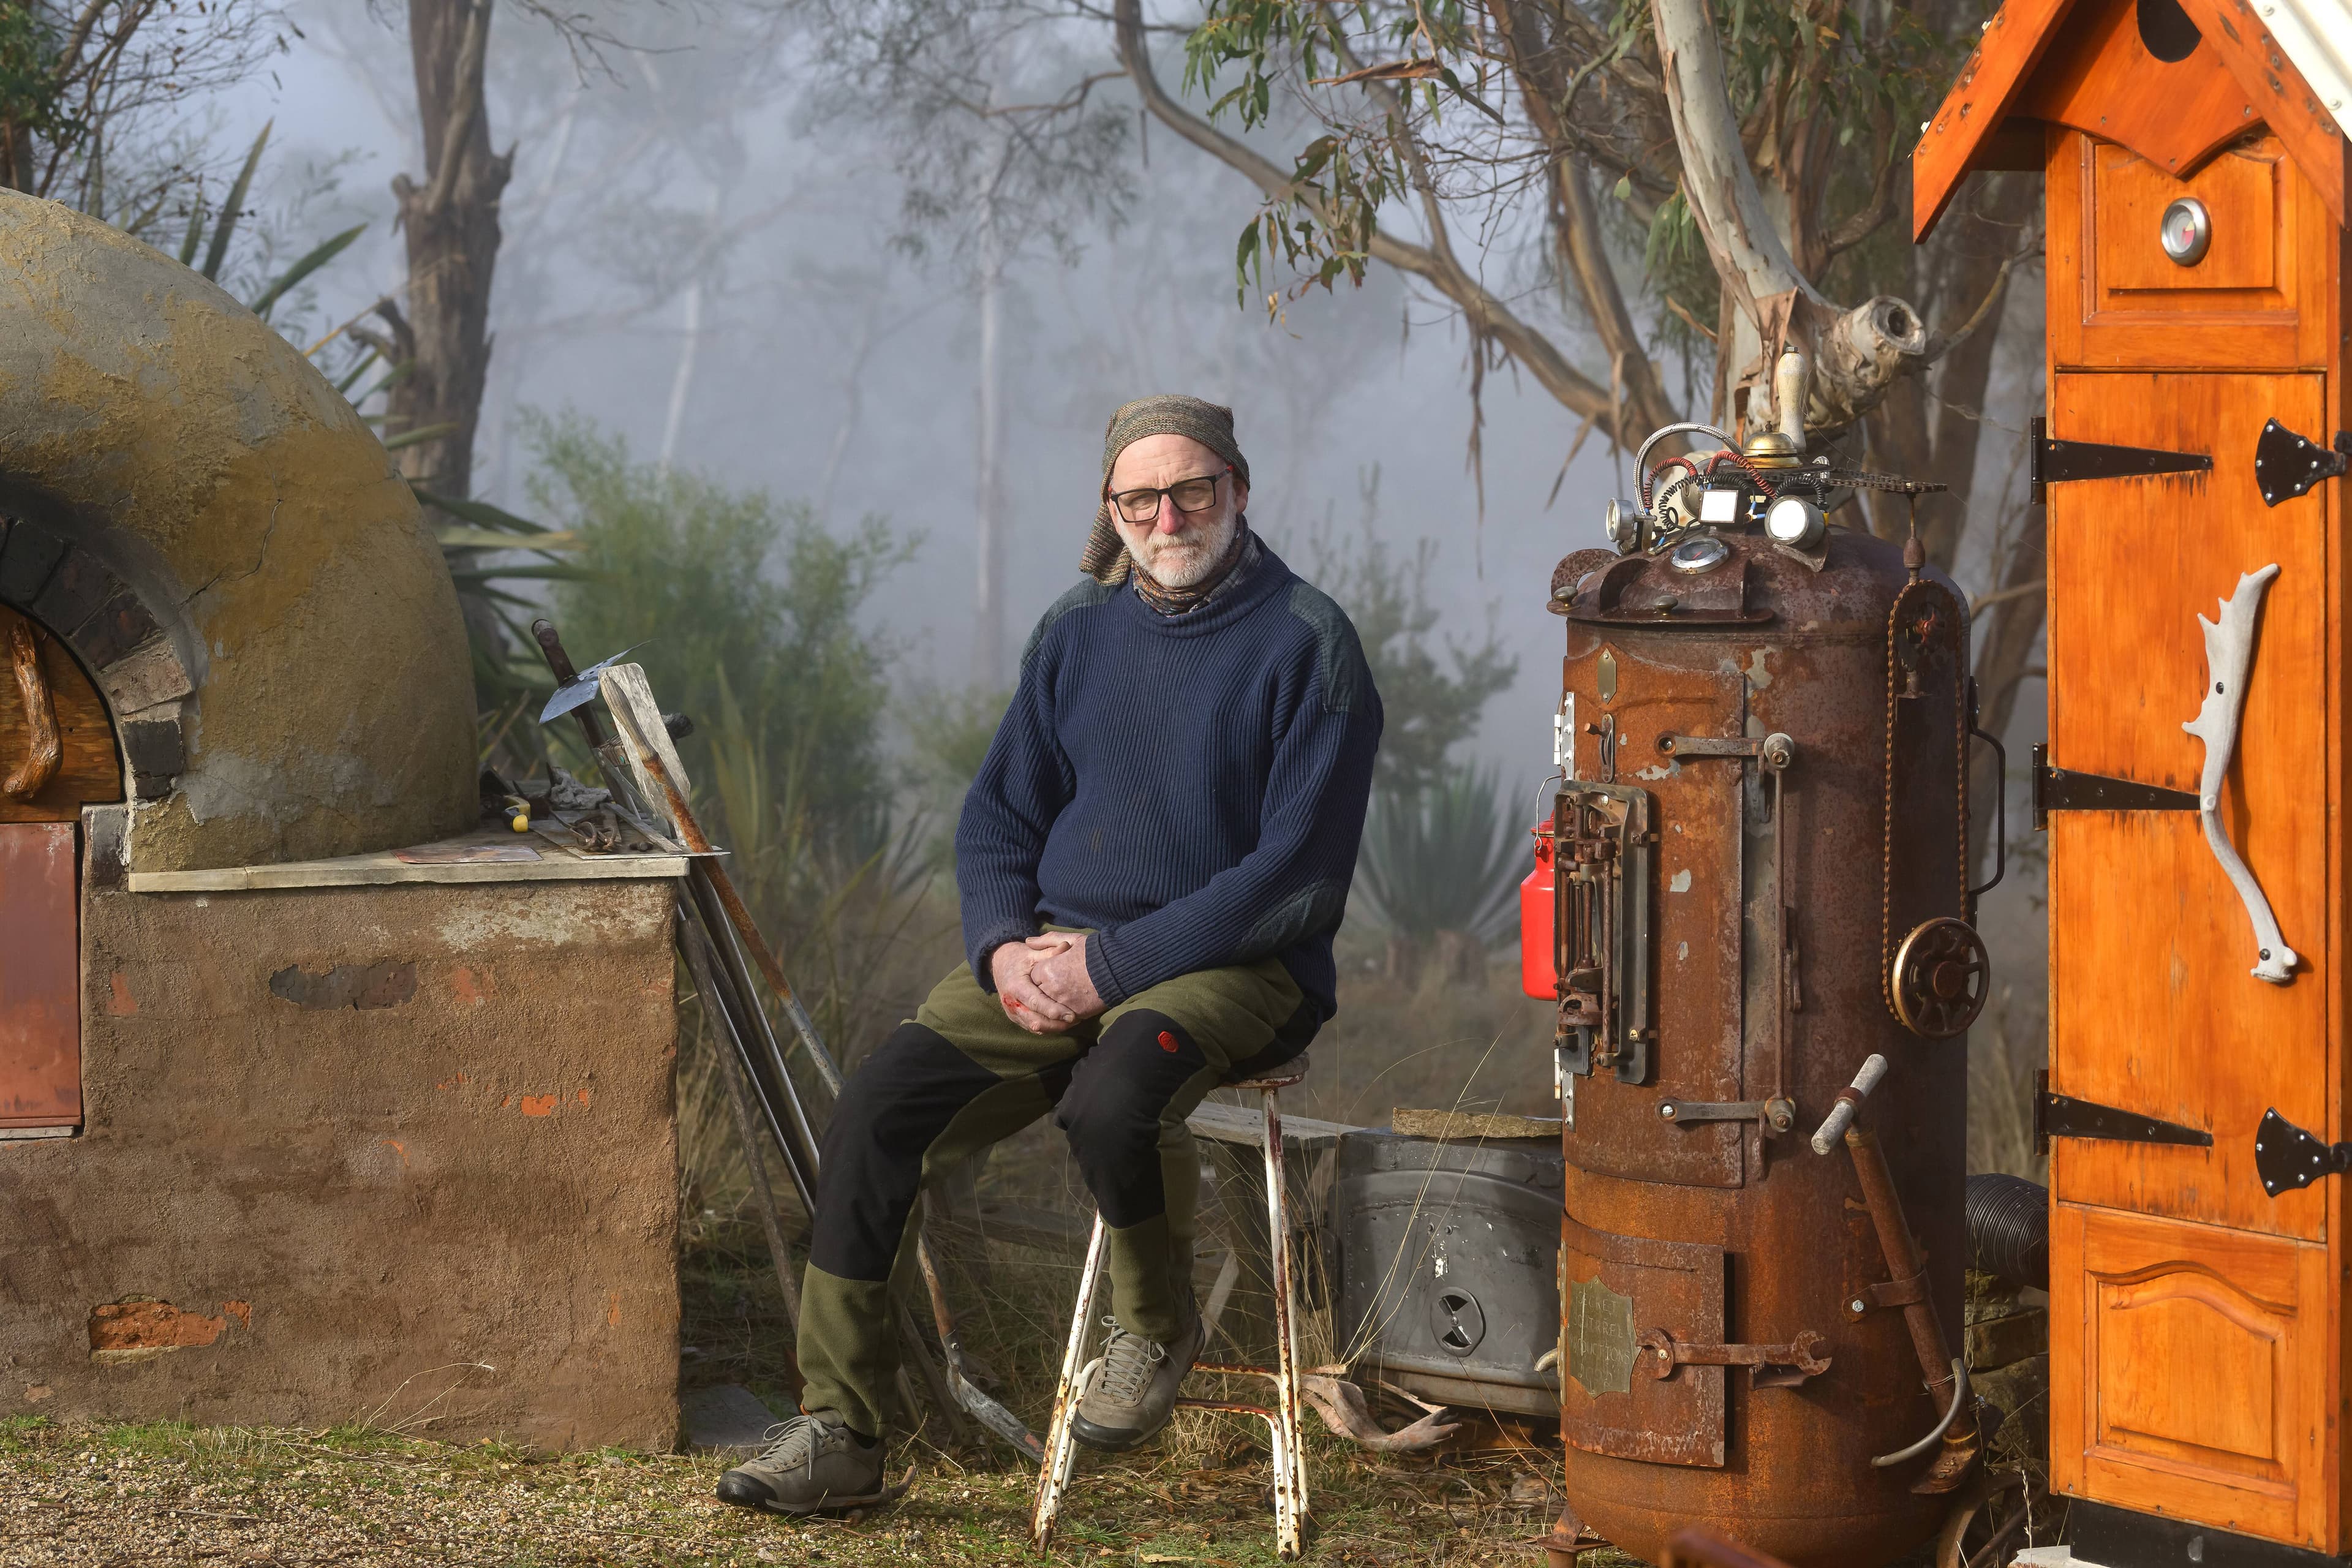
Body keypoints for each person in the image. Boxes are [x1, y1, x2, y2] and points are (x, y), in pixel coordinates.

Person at [716, 394, 1383, 1516]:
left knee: (1116, 1093)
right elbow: (996, 821)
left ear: (1238, 490)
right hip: (1058, 957)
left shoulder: (1308, 644)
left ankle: (1155, 1329)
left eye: (1192, 491)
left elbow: (1291, 881)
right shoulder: (1076, 631)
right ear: (1112, 509)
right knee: (877, 1107)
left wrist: (1107, 969)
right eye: (1140, 497)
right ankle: (840, 1431)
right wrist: (1001, 954)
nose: (1168, 517)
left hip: (1239, 966)